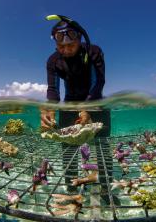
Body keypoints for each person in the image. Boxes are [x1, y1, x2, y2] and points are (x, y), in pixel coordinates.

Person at [40, 15, 113, 201]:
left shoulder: (94, 51)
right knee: (68, 149)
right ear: (55, 45)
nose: (65, 50)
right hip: (69, 104)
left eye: (70, 45)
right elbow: (53, 89)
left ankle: (106, 189)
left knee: (102, 146)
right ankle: (72, 189)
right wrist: (49, 108)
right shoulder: (53, 60)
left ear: (79, 40)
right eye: (61, 46)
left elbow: (99, 83)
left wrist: (88, 107)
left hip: (96, 102)